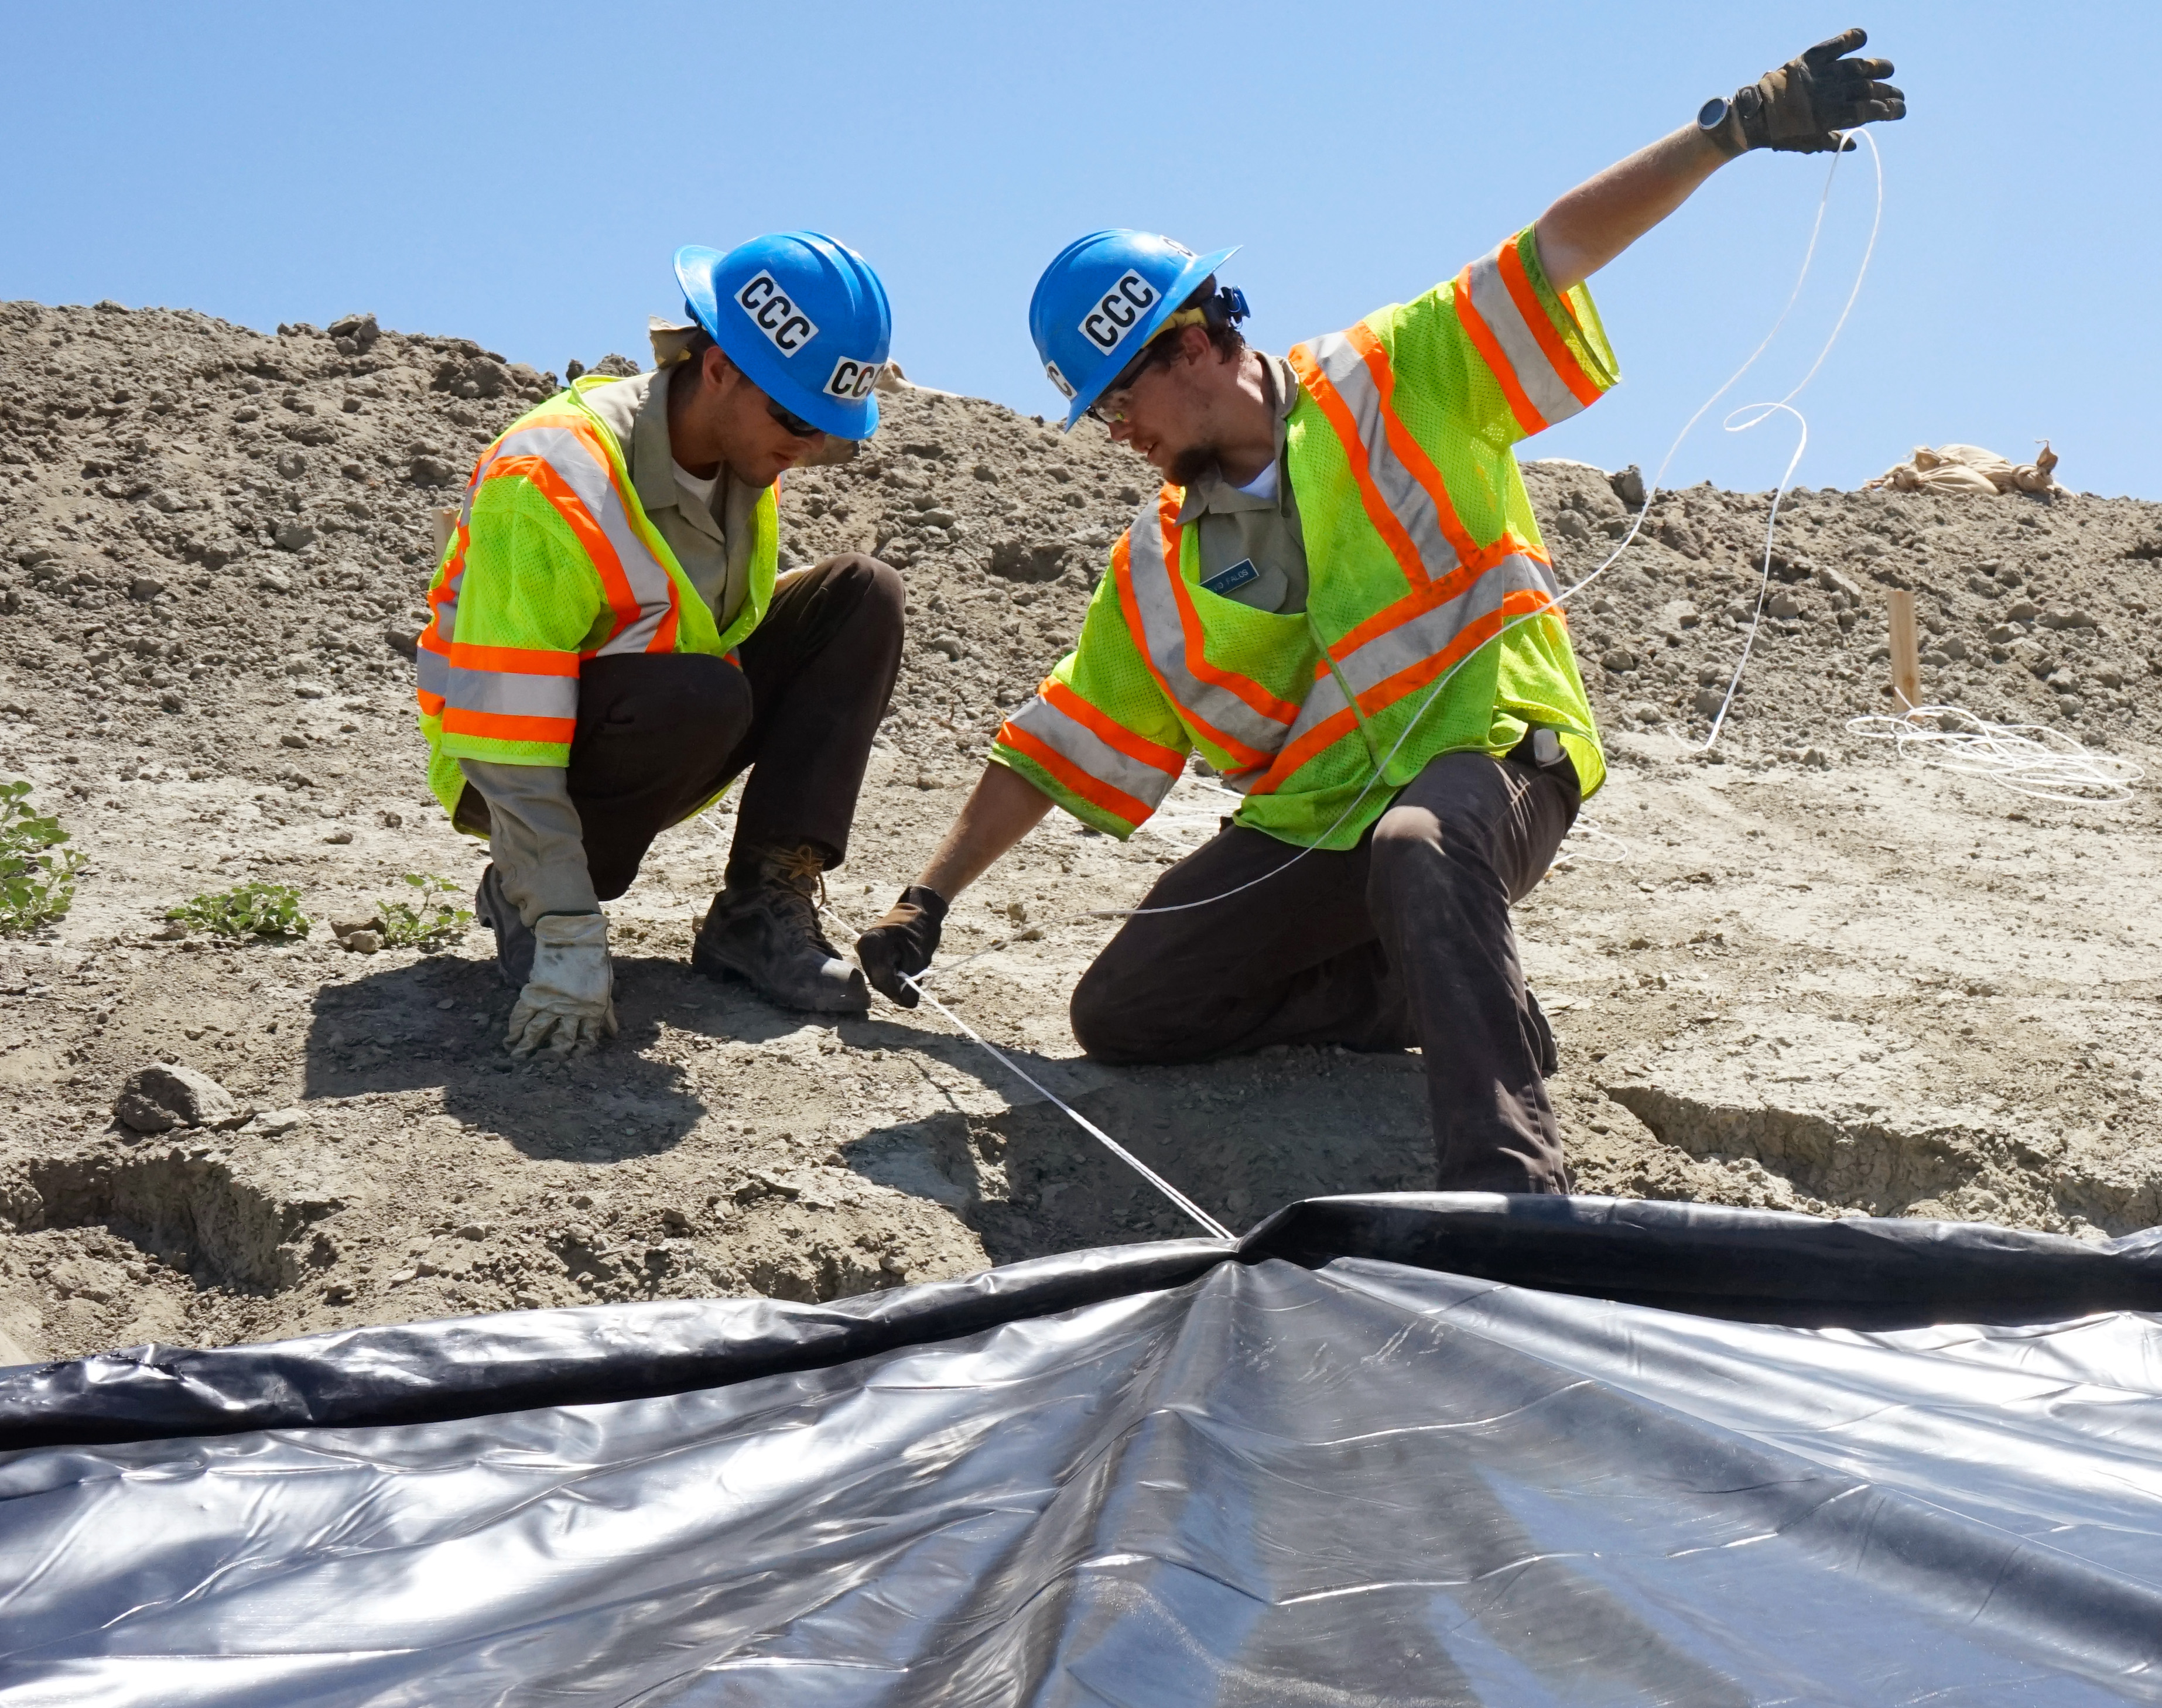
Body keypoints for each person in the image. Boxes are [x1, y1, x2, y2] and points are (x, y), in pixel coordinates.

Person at [854, 32, 1905, 1193]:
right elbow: (1056, 741)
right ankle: (1429, 981)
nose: (1121, 434)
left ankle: (1510, 1187)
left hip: (1494, 753)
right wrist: (928, 896)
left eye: (1120, 400)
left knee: (1422, 842)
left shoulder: (1394, 372)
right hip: (1317, 826)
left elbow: (1554, 251)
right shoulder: (1160, 560)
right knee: (1129, 1006)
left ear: (1194, 345)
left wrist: (1735, 128)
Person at [412, 231, 910, 1057]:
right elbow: (505, 724)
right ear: (717, 369)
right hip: (506, 766)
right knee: (699, 694)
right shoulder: (551, 477)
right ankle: (526, 893)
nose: (808, 447)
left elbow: (714, 631)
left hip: (660, 716)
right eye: (795, 418)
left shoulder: (744, 458)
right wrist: (565, 926)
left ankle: (758, 908)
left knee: (861, 595)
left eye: (827, 427)